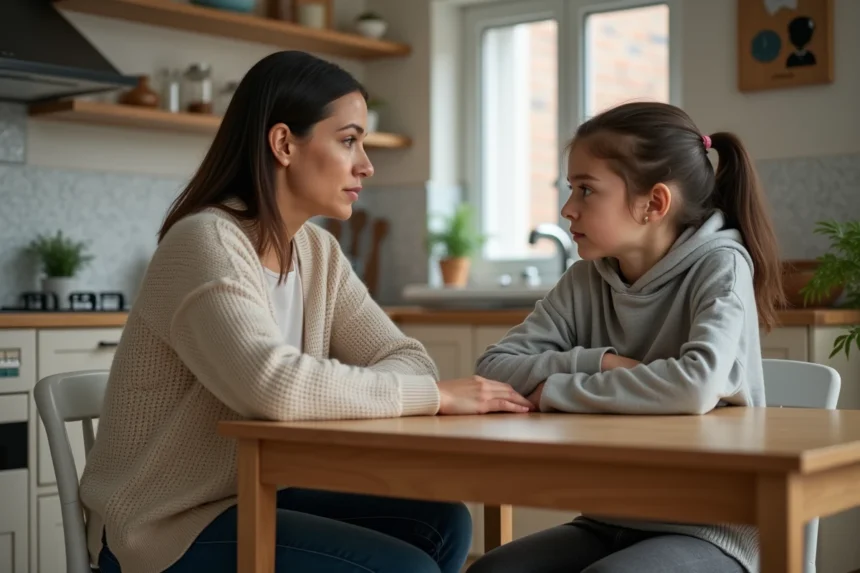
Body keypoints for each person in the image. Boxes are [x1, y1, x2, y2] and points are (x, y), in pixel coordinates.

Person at [79, 50, 535, 573]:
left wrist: (403, 388)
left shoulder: (318, 252)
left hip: (255, 491)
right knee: (404, 567)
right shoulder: (204, 241)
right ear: (283, 144)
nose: (366, 163)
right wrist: (432, 398)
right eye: (348, 140)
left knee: (443, 520)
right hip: (165, 523)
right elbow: (273, 386)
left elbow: (407, 357)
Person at [467, 101, 785, 573]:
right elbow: (493, 367)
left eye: (585, 190)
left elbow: (695, 386)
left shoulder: (721, 264)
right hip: (609, 514)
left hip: (714, 528)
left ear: (653, 203)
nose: (567, 208)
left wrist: (555, 390)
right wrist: (604, 363)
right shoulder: (585, 280)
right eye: (570, 188)